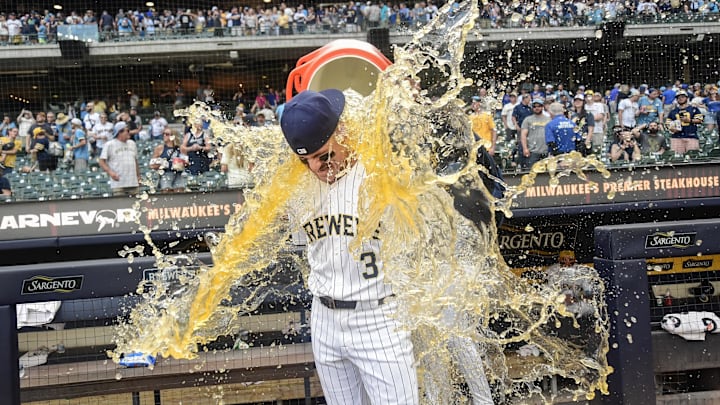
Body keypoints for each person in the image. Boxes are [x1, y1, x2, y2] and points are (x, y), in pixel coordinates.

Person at [280, 89, 419, 404]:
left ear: (342, 133)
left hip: (379, 316)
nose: (316, 168)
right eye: (305, 161)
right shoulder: (296, 186)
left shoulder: (380, 172)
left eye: (324, 156)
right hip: (324, 317)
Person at [99, 121, 141, 196]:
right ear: (119, 132)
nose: (129, 132)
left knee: (136, 205)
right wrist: (111, 173)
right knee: (120, 206)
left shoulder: (132, 143)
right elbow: (101, 161)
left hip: (133, 182)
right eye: (127, 131)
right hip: (118, 183)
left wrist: (138, 176)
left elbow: (135, 161)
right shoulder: (109, 144)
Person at [666, 90, 704, 154]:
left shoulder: (693, 109)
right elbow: (668, 123)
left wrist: (690, 120)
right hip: (676, 137)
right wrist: (672, 128)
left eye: (682, 97)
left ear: (687, 98)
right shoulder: (673, 111)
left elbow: (700, 120)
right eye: (678, 97)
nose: (680, 99)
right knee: (677, 158)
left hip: (691, 136)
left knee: (693, 156)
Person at [150, 128, 187, 193]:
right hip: (166, 173)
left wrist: (182, 163)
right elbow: (152, 165)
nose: (164, 136)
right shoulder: (160, 148)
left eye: (167, 134)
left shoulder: (181, 148)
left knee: (179, 192)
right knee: (166, 192)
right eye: (163, 134)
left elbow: (186, 162)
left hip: (179, 174)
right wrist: (162, 164)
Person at [520, 98, 550, 169]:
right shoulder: (527, 119)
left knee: (546, 174)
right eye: (535, 106)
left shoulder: (548, 119)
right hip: (532, 151)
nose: (537, 108)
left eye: (539, 106)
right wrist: (525, 148)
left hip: (546, 151)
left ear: (542, 107)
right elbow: (523, 135)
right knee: (531, 172)